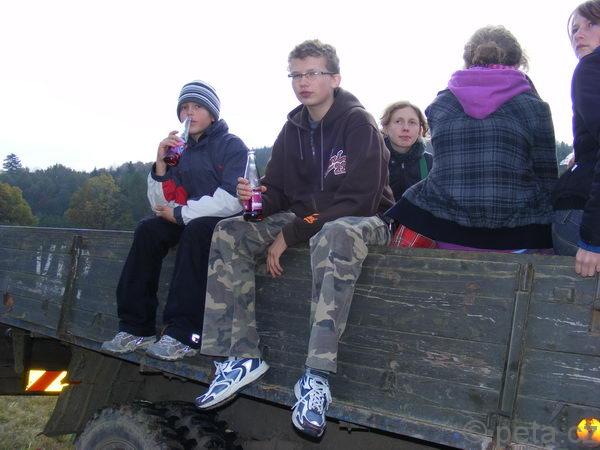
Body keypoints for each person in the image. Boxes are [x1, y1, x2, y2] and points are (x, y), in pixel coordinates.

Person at [194, 40, 393, 438]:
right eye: (297, 75)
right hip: (306, 215)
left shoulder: (359, 124)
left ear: (334, 79)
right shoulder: (293, 128)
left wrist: (291, 232)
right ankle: (241, 355)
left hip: (365, 217)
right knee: (230, 231)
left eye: (313, 73)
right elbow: (280, 190)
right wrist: (257, 198)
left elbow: (359, 198)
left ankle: (316, 377)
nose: (304, 82)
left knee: (334, 234)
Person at [101, 80, 248, 360]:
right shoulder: (179, 151)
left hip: (226, 223)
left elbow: (232, 199)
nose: (189, 113)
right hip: (187, 219)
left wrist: (180, 214)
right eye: (184, 108)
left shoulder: (232, 145)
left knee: (196, 231)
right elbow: (160, 205)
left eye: (197, 107)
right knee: (148, 230)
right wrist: (160, 165)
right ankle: (135, 327)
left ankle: (183, 333)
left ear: (213, 114)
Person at [386, 26, 558, 252]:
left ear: (469, 59)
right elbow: (547, 179)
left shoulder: (440, 105)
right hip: (517, 236)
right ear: (517, 62)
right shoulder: (533, 107)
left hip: (446, 231)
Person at [552, 0, 600, 277]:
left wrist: (594, 237)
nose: (579, 35)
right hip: (585, 213)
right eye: (574, 30)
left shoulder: (592, 67)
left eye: (591, 24)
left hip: (585, 216)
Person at [380, 101, 432, 201]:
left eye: (412, 122)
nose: (406, 128)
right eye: (398, 121)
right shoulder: (375, 161)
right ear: (385, 128)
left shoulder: (431, 163)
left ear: (420, 129)